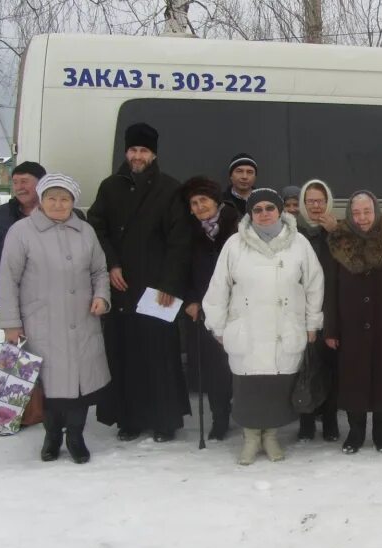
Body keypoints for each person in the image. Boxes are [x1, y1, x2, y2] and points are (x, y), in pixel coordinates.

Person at [87, 122, 192, 443]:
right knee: (126, 354)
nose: (137, 156)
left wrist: (167, 287)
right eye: (133, 150)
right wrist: (111, 264)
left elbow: (180, 243)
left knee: (159, 356)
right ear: (126, 152)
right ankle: (129, 419)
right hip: (122, 286)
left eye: (143, 151)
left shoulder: (170, 189)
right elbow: (97, 229)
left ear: (153, 154)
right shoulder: (109, 187)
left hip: (158, 289)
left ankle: (164, 421)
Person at [202, 188, 324, 465]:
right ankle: (250, 437)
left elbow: (314, 285)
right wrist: (218, 327)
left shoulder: (299, 243)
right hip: (248, 329)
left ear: (280, 211)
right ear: (250, 213)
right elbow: (218, 287)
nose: (264, 213)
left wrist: (312, 322)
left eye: (270, 208)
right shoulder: (234, 244)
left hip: (284, 328)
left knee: (276, 388)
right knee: (248, 388)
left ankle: (270, 436)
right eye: (258, 209)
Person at [0, 174, 110, 464]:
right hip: (41, 323)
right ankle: (52, 436)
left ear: (73, 202)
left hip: (82, 320)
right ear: (42, 200)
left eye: (65, 199)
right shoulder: (22, 232)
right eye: (52, 198)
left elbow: (99, 270)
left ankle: (75, 436)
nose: (58, 204)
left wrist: (101, 296)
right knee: (48, 387)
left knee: (79, 388)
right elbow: (8, 280)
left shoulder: (85, 231)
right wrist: (11, 324)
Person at [323, 191, 382, 454]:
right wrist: (331, 328)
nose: (362, 218)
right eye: (356, 212)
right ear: (349, 215)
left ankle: (381, 430)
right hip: (350, 325)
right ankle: (355, 431)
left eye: (367, 211)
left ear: (376, 211)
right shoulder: (339, 243)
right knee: (354, 378)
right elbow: (330, 289)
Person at [182, 176, 240, 440]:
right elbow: (185, 270)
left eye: (203, 200)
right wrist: (191, 299)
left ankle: (248, 414)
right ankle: (220, 418)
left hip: (239, 306)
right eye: (193, 203)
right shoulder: (189, 231)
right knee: (214, 367)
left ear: (215, 200)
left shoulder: (237, 224)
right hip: (207, 308)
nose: (199, 207)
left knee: (239, 364)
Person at [295, 179, 341, 442]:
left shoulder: (336, 229)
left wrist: (336, 232)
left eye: (320, 201)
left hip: (331, 307)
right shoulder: (293, 231)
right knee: (304, 366)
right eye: (310, 201)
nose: (315, 205)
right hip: (300, 310)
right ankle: (306, 419)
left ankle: (331, 420)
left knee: (330, 365)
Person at [0, 161, 47, 318]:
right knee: (15, 342)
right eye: (15, 182)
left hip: (50, 304)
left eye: (25, 182)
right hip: (9, 304)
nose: (19, 187)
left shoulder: (59, 216)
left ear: (42, 184)